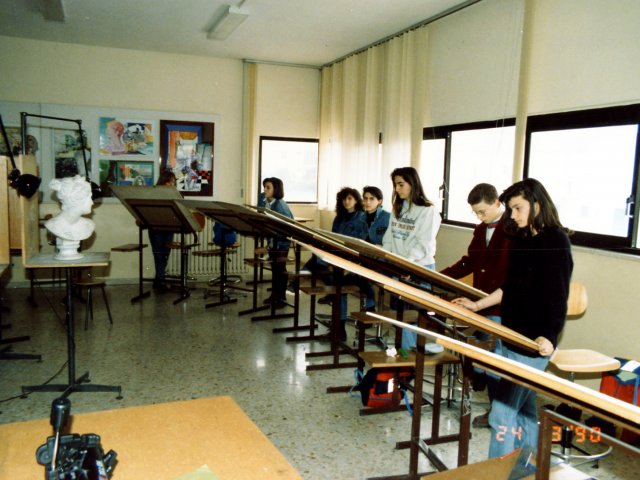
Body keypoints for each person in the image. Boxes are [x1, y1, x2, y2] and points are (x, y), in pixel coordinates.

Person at [451, 178, 573, 458]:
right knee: (526, 411)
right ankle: (528, 468)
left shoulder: (556, 241)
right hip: (510, 334)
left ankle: (504, 472)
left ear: (537, 204)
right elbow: (509, 288)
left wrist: (550, 337)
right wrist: (477, 305)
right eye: (510, 209)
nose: (513, 215)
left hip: (533, 343)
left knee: (502, 414)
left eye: (517, 208)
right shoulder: (521, 237)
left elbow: (558, 296)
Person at [440, 183, 513, 428]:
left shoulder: (513, 229)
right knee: (485, 356)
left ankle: (497, 413)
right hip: (481, 302)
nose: (480, 217)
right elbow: (470, 261)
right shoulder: (481, 229)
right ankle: (486, 393)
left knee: (496, 361)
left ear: (497, 203)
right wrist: (441, 276)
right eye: (476, 213)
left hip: (502, 304)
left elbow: (512, 276)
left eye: (483, 211)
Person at [382, 166, 441, 349]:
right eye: (395, 185)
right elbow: (389, 238)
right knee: (399, 316)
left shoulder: (428, 210)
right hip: (399, 268)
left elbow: (423, 244)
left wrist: (406, 266)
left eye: (401, 184)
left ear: (413, 183)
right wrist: (387, 258)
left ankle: (412, 362)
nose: (397, 189)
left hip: (418, 268)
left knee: (414, 318)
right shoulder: (398, 208)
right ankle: (405, 358)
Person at [262, 177, 294, 309]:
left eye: (268, 187)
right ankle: (275, 295)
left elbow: (286, 226)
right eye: (264, 187)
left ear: (276, 189)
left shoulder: (280, 205)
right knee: (275, 269)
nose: (265, 190)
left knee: (280, 269)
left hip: (281, 242)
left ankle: (281, 297)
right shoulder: (268, 202)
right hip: (273, 241)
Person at [148, 170, 177, 292]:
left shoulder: (174, 194)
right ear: (163, 182)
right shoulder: (154, 194)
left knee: (165, 255)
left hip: (169, 228)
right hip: (156, 229)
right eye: (170, 182)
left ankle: (158, 281)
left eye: (173, 183)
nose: (172, 185)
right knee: (159, 255)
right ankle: (160, 282)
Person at [45, 175, 95, 241]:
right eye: (89, 197)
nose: (92, 203)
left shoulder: (89, 225)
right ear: (77, 199)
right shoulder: (53, 225)